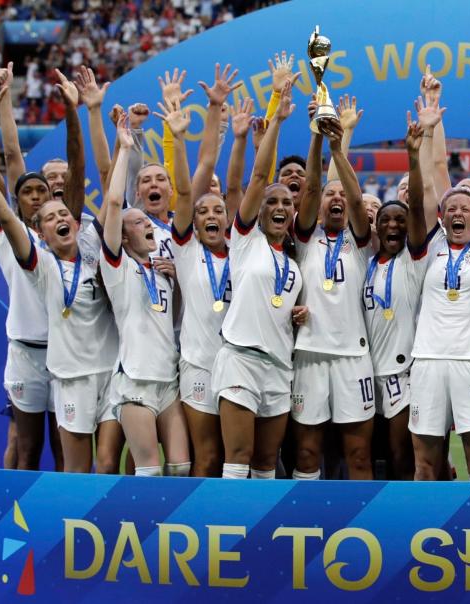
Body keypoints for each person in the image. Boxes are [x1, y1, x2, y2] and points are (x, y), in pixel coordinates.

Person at [0, 135, 121, 474]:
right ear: (40, 234)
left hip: (108, 372)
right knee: (45, 455)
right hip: (66, 373)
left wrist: (124, 143)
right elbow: (2, 210)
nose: (60, 217)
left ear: (75, 222)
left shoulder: (94, 249)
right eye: (49, 217)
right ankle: (57, 520)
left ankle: (99, 523)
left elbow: (113, 197)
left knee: (105, 463)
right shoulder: (42, 266)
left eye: (64, 212)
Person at [408, 94, 470, 481]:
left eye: (466, 208)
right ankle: (424, 531)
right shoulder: (428, 246)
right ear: (442, 217)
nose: (457, 212)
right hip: (428, 362)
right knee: (426, 464)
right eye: (451, 209)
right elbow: (426, 186)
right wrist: (428, 130)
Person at [210, 80, 306, 480]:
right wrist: (278, 121)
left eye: (287, 201)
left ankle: (262, 541)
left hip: (279, 365)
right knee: (238, 460)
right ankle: (233, 540)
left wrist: (295, 313)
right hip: (240, 359)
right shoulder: (245, 240)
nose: (280, 206)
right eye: (272, 201)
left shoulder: (294, 261)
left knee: (267, 464)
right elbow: (257, 178)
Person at [290, 97, 374, 481]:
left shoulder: (361, 242)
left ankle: (368, 526)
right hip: (308, 352)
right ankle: (301, 532)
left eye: (340, 194)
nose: (337, 197)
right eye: (330, 194)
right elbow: (308, 189)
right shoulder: (306, 238)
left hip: (353, 356)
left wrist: (338, 148)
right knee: (307, 453)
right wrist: (315, 138)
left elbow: (357, 197)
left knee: (358, 455)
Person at [100, 118, 189, 478]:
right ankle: (136, 532)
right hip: (135, 381)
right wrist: (124, 148)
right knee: (148, 470)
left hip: (167, 380)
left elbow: (174, 316)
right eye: (137, 223)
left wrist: (178, 282)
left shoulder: (163, 269)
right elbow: (111, 201)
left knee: (182, 467)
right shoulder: (116, 269)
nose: (148, 224)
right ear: (121, 236)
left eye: (147, 222)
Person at [155, 83, 235, 477]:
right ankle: (204, 534)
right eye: (202, 211)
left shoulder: (244, 250)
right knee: (206, 458)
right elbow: (186, 188)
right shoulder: (185, 250)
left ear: (226, 217)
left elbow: (239, 185)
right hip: (199, 364)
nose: (209, 215)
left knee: (238, 458)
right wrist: (178, 137)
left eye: (218, 210)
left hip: (239, 363)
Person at [361, 116, 431, 481]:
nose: (392, 225)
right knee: (372, 457)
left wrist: (413, 156)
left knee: (402, 454)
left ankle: (406, 523)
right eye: (385, 220)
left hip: (403, 374)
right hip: (365, 371)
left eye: (399, 221)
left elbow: (417, 205)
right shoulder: (367, 265)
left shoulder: (415, 259)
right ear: (375, 227)